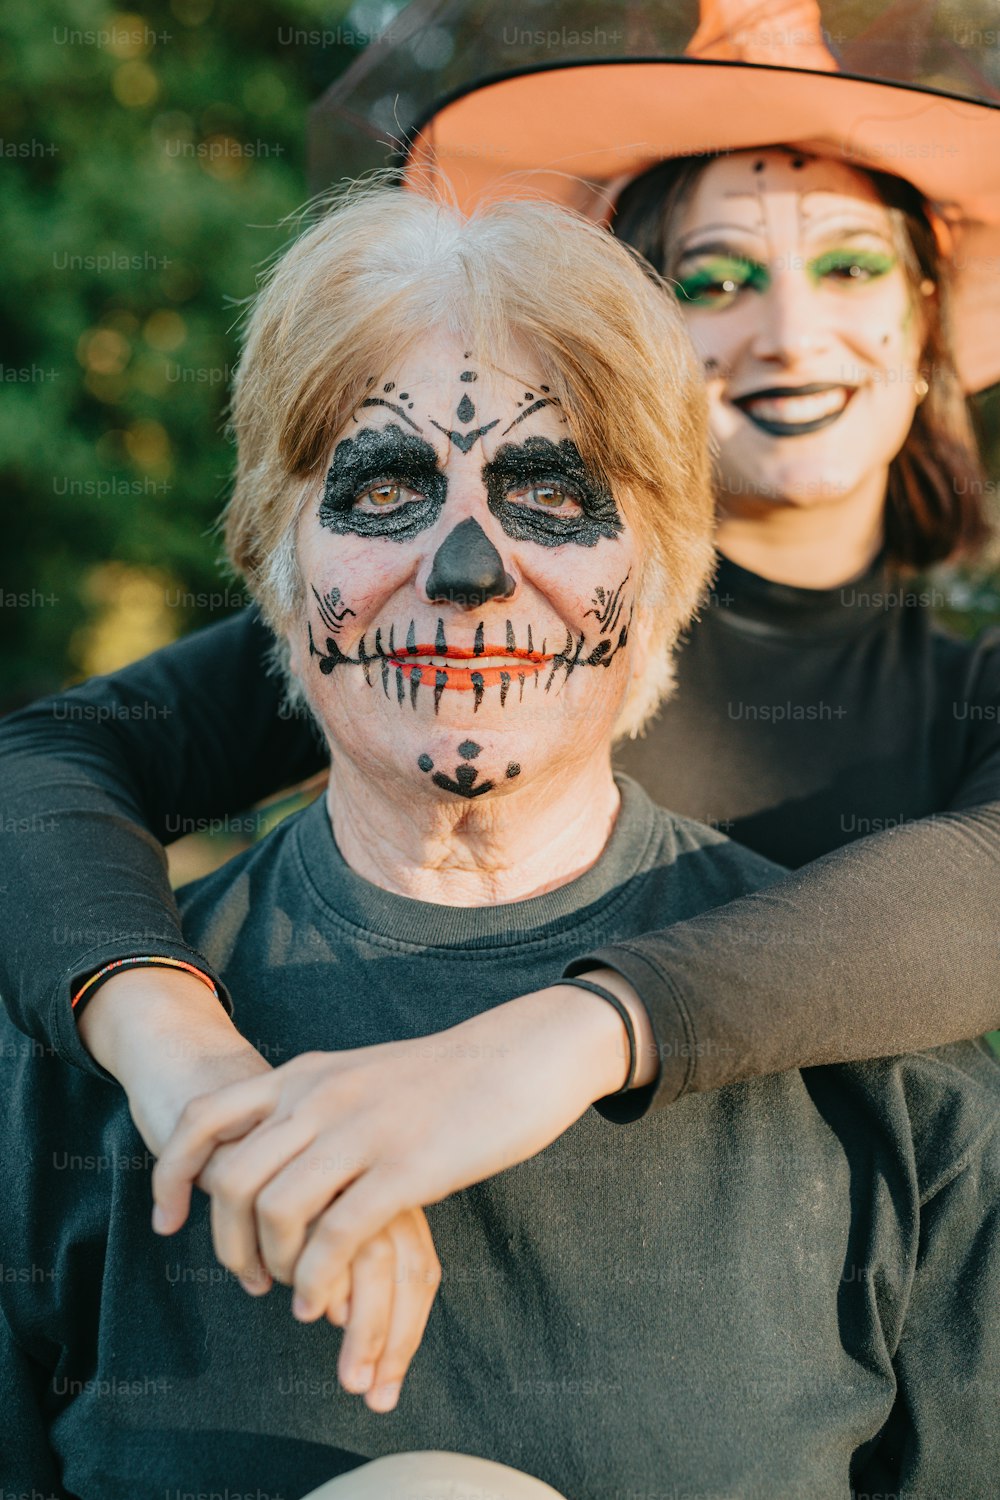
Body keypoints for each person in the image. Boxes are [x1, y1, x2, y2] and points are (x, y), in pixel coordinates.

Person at [2, 184, 997, 1500]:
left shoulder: (904, 1087)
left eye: (554, 492)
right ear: (279, 569)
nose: (466, 572)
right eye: (382, 487)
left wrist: (566, 1038)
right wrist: (177, 1067)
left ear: (667, 567)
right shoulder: (69, 1077)